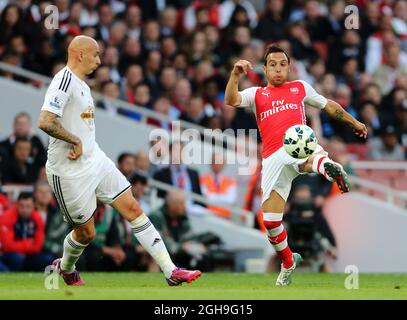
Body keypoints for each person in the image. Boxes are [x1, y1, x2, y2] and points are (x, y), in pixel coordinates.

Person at [37, 35, 201, 286]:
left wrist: (84, 144)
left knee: (133, 208)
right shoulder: (64, 80)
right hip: (68, 171)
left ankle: (170, 271)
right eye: (96, 54)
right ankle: (66, 266)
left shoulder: (83, 85)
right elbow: (46, 121)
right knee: (86, 233)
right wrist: (75, 140)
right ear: (80, 54)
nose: (99, 60)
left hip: (95, 160)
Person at [224, 45, 367, 286]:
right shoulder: (257, 94)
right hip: (272, 159)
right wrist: (235, 75)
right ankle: (288, 262)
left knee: (304, 149)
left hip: (297, 142)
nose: (278, 69)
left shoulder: (300, 87)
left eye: (282, 64)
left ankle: (327, 166)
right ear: (265, 69)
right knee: (270, 221)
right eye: (272, 64)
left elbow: (328, 106)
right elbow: (232, 100)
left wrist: (354, 122)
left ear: (289, 68)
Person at [0, 192, 53, 271]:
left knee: (49, 259)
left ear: (34, 206)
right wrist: (28, 243)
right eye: (22, 206)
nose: (24, 210)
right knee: (17, 258)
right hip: (10, 255)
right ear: (17, 205)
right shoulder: (7, 217)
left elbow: (38, 246)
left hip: (29, 255)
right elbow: (7, 246)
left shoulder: (38, 219)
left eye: (28, 206)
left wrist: (21, 246)